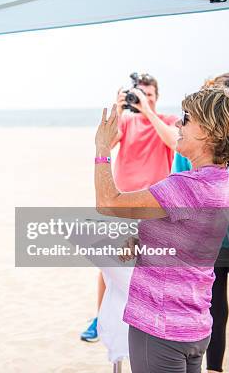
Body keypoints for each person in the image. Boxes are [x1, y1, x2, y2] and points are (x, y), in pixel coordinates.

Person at [94, 86, 229, 372]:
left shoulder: (187, 187)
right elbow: (186, 238)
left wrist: (102, 150)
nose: (177, 124)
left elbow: (109, 202)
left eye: (187, 118)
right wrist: (143, 236)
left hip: (160, 329)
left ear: (208, 131)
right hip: (193, 327)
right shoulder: (221, 182)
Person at [172, 72, 229, 373]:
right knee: (213, 314)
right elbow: (180, 185)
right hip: (205, 240)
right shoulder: (192, 142)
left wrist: (212, 207)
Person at [82, 73, 178, 342]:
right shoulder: (127, 121)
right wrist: (117, 108)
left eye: (149, 95)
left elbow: (173, 142)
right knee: (108, 266)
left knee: (152, 265)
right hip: (122, 206)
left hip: (155, 208)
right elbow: (108, 145)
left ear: (157, 98)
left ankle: (150, 317)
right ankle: (99, 318)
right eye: (139, 95)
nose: (143, 100)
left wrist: (148, 112)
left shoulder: (168, 121)